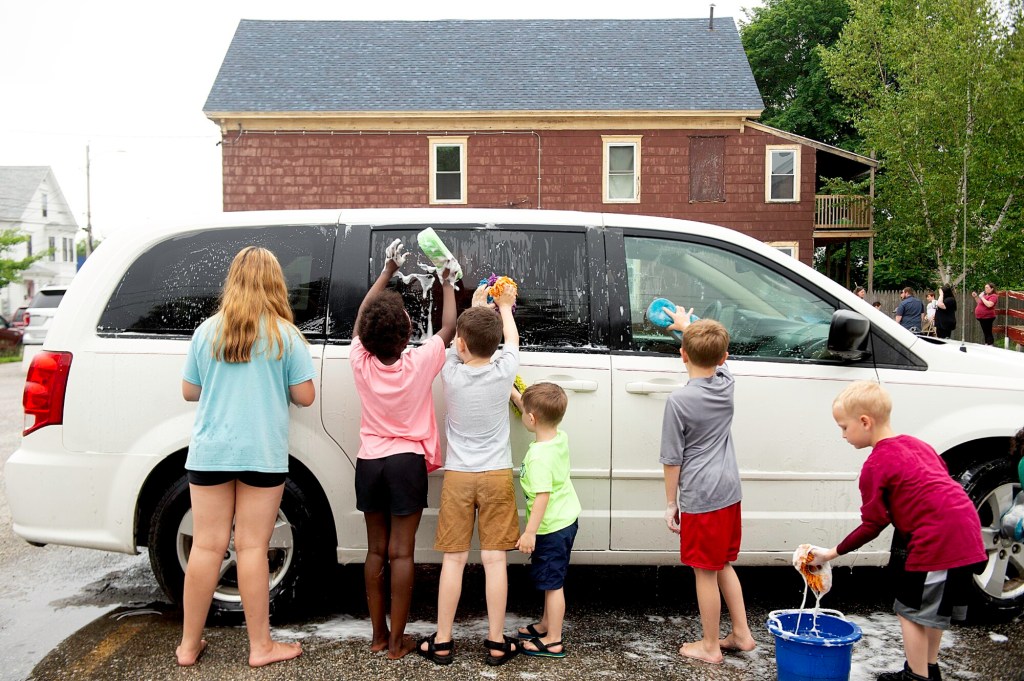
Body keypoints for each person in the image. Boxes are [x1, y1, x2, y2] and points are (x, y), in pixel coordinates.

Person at [177, 246, 316, 668]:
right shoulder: (285, 336)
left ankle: (187, 647)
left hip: (211, 452)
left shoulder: (208, 331)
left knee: (206, 546)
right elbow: (305, 397)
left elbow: (189, 390)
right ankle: (261, 647)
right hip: (261, 454)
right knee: (252, 546)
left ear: (233, 282)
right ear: (276, 284)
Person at [803, 381, 986, 681]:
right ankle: (928, 669)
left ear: (865, 421)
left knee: (910, 611)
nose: (843, 435)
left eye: (844, 427)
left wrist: (831, 553)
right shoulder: (918, 445)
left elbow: (873, 524)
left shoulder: (876, 464)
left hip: (937, 540)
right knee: (932, 611)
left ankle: (915, 677)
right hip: (967, 531)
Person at [351, 239, 457, 659]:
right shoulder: (419, 363)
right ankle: (398, 642)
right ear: (408, 331)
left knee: (375, 550)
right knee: (402, 553)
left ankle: (377, 637)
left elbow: (362, 317)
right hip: (406, 464)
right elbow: (448, 330)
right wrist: (448, 283)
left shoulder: (359, 360)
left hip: (370, 463)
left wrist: (388, 270)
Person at [417, 289, 522, 666]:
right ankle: (496, 642)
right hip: (496, 475)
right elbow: (510, 339)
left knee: (454, 560)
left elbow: (450, 344)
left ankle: (443, 640)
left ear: (461, 344)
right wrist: (504, 308)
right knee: (495, 562)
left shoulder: (449, 372)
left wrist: (475, 308)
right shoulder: (504, 370)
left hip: (459, 477)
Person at [659, 311, 756, 664]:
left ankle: (711, 645)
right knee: (723, 563)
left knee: (704, 571)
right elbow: (713, 356)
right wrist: (688, 325)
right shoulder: (726, 383)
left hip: (702, 496)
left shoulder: (679, 401)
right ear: (724, 358)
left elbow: (672, 459)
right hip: (730, 492)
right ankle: (742, 633)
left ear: (682, 354)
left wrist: (671, 503)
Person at [511, 382, 581, 660]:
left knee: (553, 584)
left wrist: (529, 533)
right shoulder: (557, 436)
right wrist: (514, 393)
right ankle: (545, 624)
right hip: (566, 519)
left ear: (531, 419)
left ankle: (554, 639)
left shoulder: (539, 456)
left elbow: (541, 498)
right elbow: (532, 411)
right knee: (550, 577)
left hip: (551, 526)